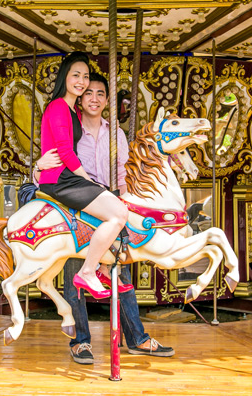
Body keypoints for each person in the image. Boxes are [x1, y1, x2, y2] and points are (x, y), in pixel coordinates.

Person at [36, 72, 174, 364]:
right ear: (81, 98)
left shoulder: (117, 134)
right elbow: (49, 169)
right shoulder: (70, 133)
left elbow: (124, 174)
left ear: (107, 100)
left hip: (110, 203)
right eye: (89, 93)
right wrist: (35, 167)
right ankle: (81, 341)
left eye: (100, 93)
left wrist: (125, 204)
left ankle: (136, 338)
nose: (94, 99)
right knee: (74, 274)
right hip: (78, 206)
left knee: (121, 273)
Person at [37, 52, 128, 300]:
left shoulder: (72, 111)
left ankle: (103, 269)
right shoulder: (57, 107)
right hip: (61, 180)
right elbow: (65, 151)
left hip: (65, 178)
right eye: (76, 75)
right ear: (65, 76)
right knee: (118, 213)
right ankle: (89, 271)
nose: (81, 81)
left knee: (119, 212)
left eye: (85, 76)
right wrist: (87, 180)